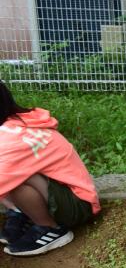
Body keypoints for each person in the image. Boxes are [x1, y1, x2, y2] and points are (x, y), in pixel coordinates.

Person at [0, 81, 100, 257]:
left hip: (78, 206)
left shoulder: (9, 139)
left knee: (13, 179)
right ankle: (21, 212)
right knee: (12, 172)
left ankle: (50, 228)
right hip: (70, 192)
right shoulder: (17, 123)